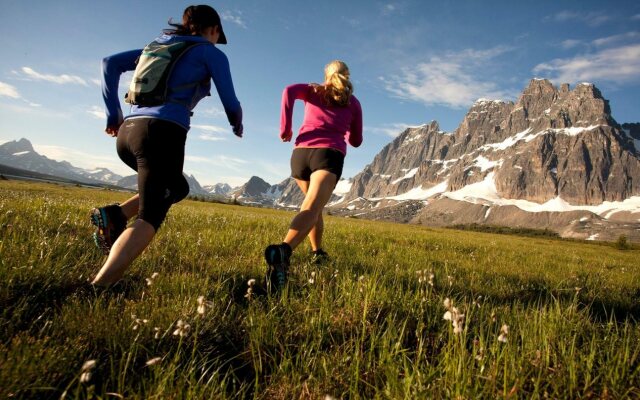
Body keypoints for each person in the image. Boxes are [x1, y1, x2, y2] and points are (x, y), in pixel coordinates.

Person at [91, 5, 243, 287]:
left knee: (177, 188)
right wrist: (237, 123)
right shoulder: (211, 52)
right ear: (213, 30)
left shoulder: (155, 47)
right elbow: (231, 103)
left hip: (127, 134)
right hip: (161, 135)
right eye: (217, 35)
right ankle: (98, 287)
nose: (216, 40)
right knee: (149, 218)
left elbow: (108, 63)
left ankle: (115, 215)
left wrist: (114, 114)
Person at [264, 60, 363, 291]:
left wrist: (285, 127)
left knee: (313, 207)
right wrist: (344, 127)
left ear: (327, 76)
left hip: (300, 155)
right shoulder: (353, 102)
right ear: (347, 76)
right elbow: (356, 142)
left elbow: (288, 91)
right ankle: (282, 252)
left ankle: (317, 252)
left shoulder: (313, 90)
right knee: (310, 208)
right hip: (327, 155)